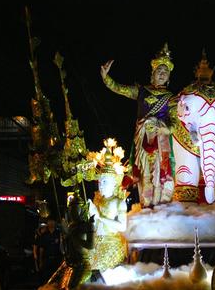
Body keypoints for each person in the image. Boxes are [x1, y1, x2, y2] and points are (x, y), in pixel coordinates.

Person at [100, 43, 175, 208]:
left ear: (169, 77)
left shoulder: (171, 98)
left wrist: (162, 128)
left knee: (161, 174)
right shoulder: (141, 91)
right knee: (143, 174)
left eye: (165, 72)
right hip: (142, 141)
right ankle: (146, 206)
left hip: (161, 145)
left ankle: (162, 206)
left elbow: (175, 125)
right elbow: (120, 89)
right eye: (159, 71)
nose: (162, 74)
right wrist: (107, 79)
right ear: (152, 73)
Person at [88, 138, 128, 273]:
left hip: (112, 244)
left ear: (114, 183)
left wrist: (100, 217)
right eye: (100, 182)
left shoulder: (118, 202)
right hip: (96, 244)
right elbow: (93, 225)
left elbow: (122, 226)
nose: (101, 185)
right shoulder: (97, 200)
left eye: (104, 181)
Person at [45, 190, 95, 289]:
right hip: (71, 262)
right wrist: (64, 236)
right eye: (71, 210)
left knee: (73, 286)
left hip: (82, 263)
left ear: (82, 210)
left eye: (75, 210)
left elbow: (90, 245)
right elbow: (65, 247)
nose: (72, 213)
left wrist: (72, 237)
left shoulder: (88, 225)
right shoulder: (71, 226)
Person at [38, 218, 63, 284]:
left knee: (56, 277)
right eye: (49, 221)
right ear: (47, 223)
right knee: (46, 277)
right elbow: (41, 248)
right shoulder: (44, 235)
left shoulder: (59, 233)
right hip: (47, 259)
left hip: (56, 258)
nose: (51, 223)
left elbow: (61, 246)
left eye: (53, 221)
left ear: (55, 222)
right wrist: (40, 261)